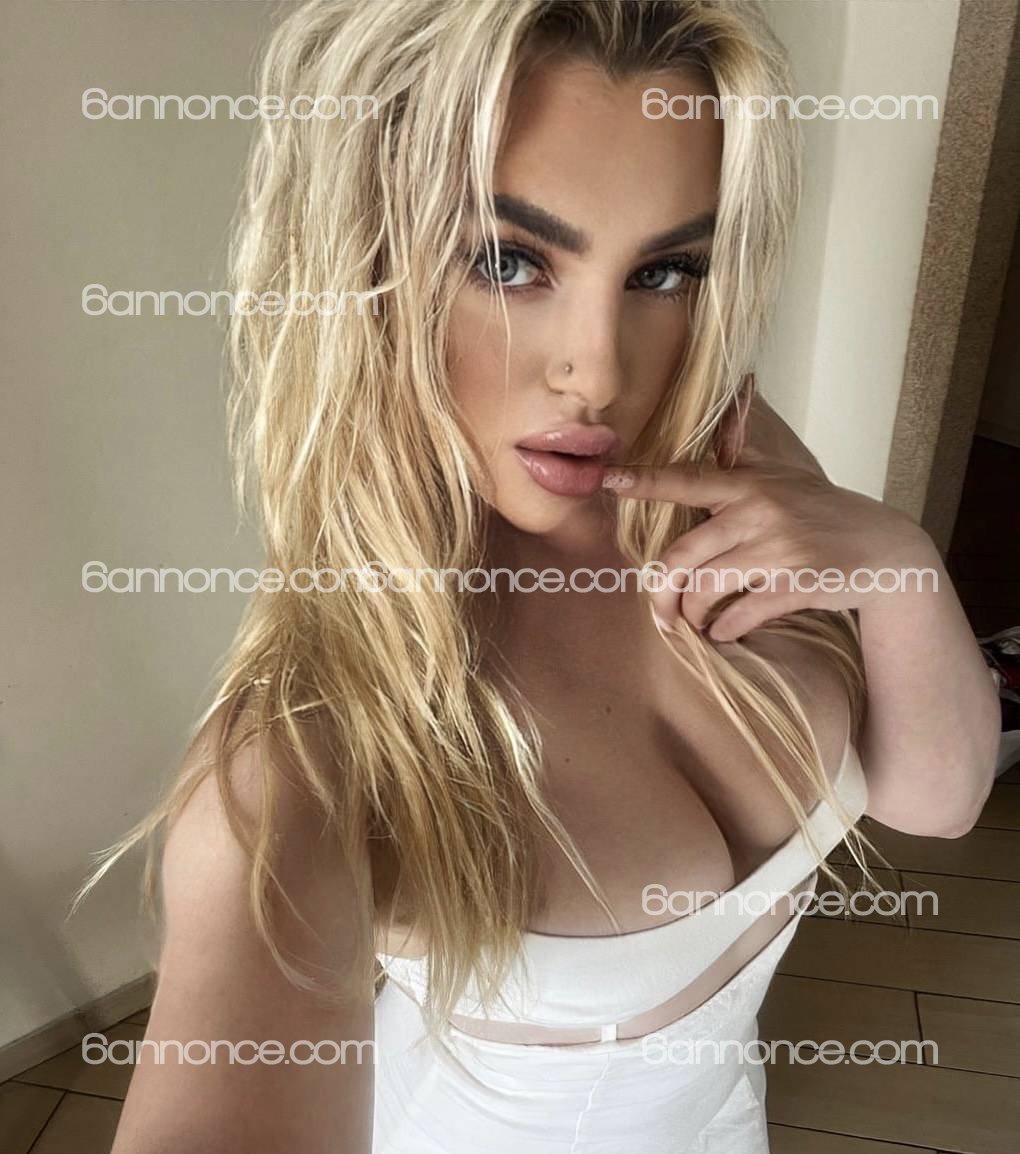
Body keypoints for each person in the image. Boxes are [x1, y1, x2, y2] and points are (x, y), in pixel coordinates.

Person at [89, 2, 1000, 1151]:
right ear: (363, 269)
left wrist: (903, 560)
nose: (597, 369)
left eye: (663, 269)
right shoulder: (303, 760)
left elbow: (937, 798)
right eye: (508, 261)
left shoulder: (732, 450)